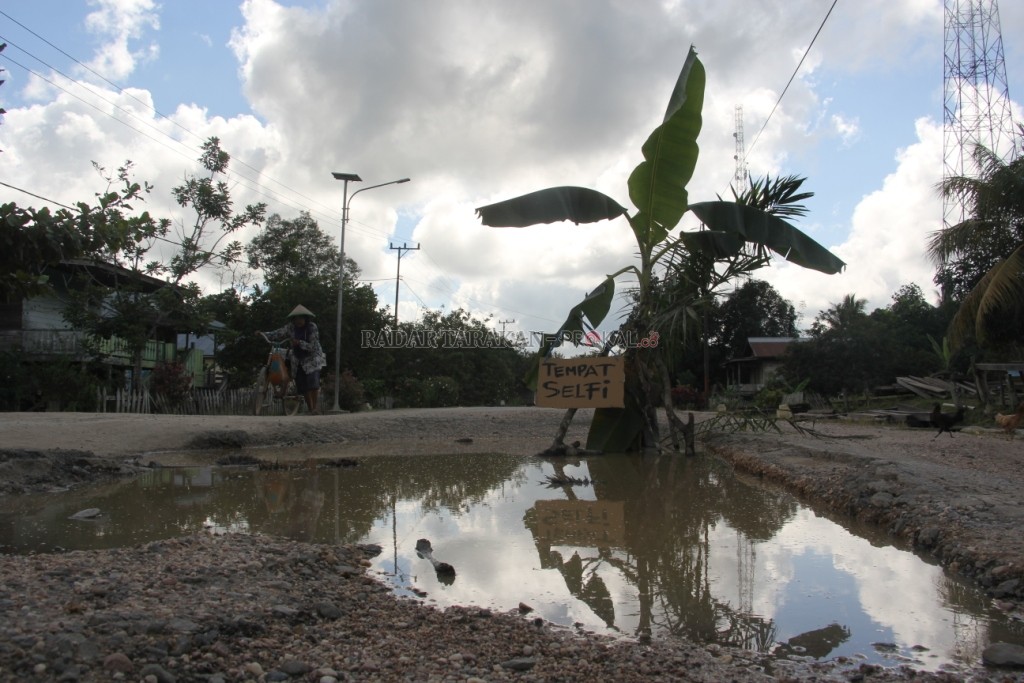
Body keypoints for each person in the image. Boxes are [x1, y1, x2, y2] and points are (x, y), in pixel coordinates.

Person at [262, 304, 327, 414]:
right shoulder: (291, 327)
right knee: (303, 385)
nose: (298, 321)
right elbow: (279, 333)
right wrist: (264, 334)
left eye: (301, 318)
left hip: (312, 358)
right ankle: (311, 409)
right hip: (298, 358)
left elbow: (313, 346)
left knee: (313, 384)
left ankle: (315, 407)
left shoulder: (312, 327)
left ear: (305, 318)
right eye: (296, 318)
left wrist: (299, 342)